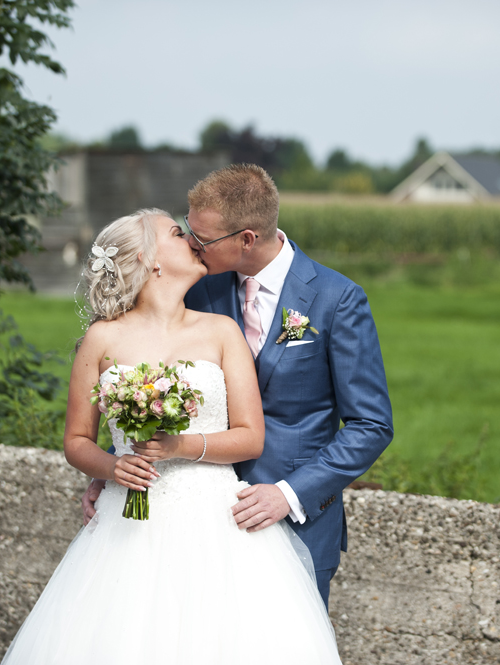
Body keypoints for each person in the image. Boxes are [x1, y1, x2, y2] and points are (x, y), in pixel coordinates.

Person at [1, 209, 342, 664]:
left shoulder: (221, 332)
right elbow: (77, 441)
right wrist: (112, 467)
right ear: (151, 260)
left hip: (216, 521)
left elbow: (249, 437)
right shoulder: (101, 339)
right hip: (127, 527)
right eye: (178, 233)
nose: (193, 240)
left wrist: (181, 446)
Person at [81, 164, 395, 606]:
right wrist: (114, 466)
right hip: (192, 518)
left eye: (202, 238)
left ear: (246, 239)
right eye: (187, 230)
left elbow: (371, 425)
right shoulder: (197, 286)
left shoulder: (336, 299)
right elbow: (152, 375)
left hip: (291, 518)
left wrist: (289, 494)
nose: (192, 243)